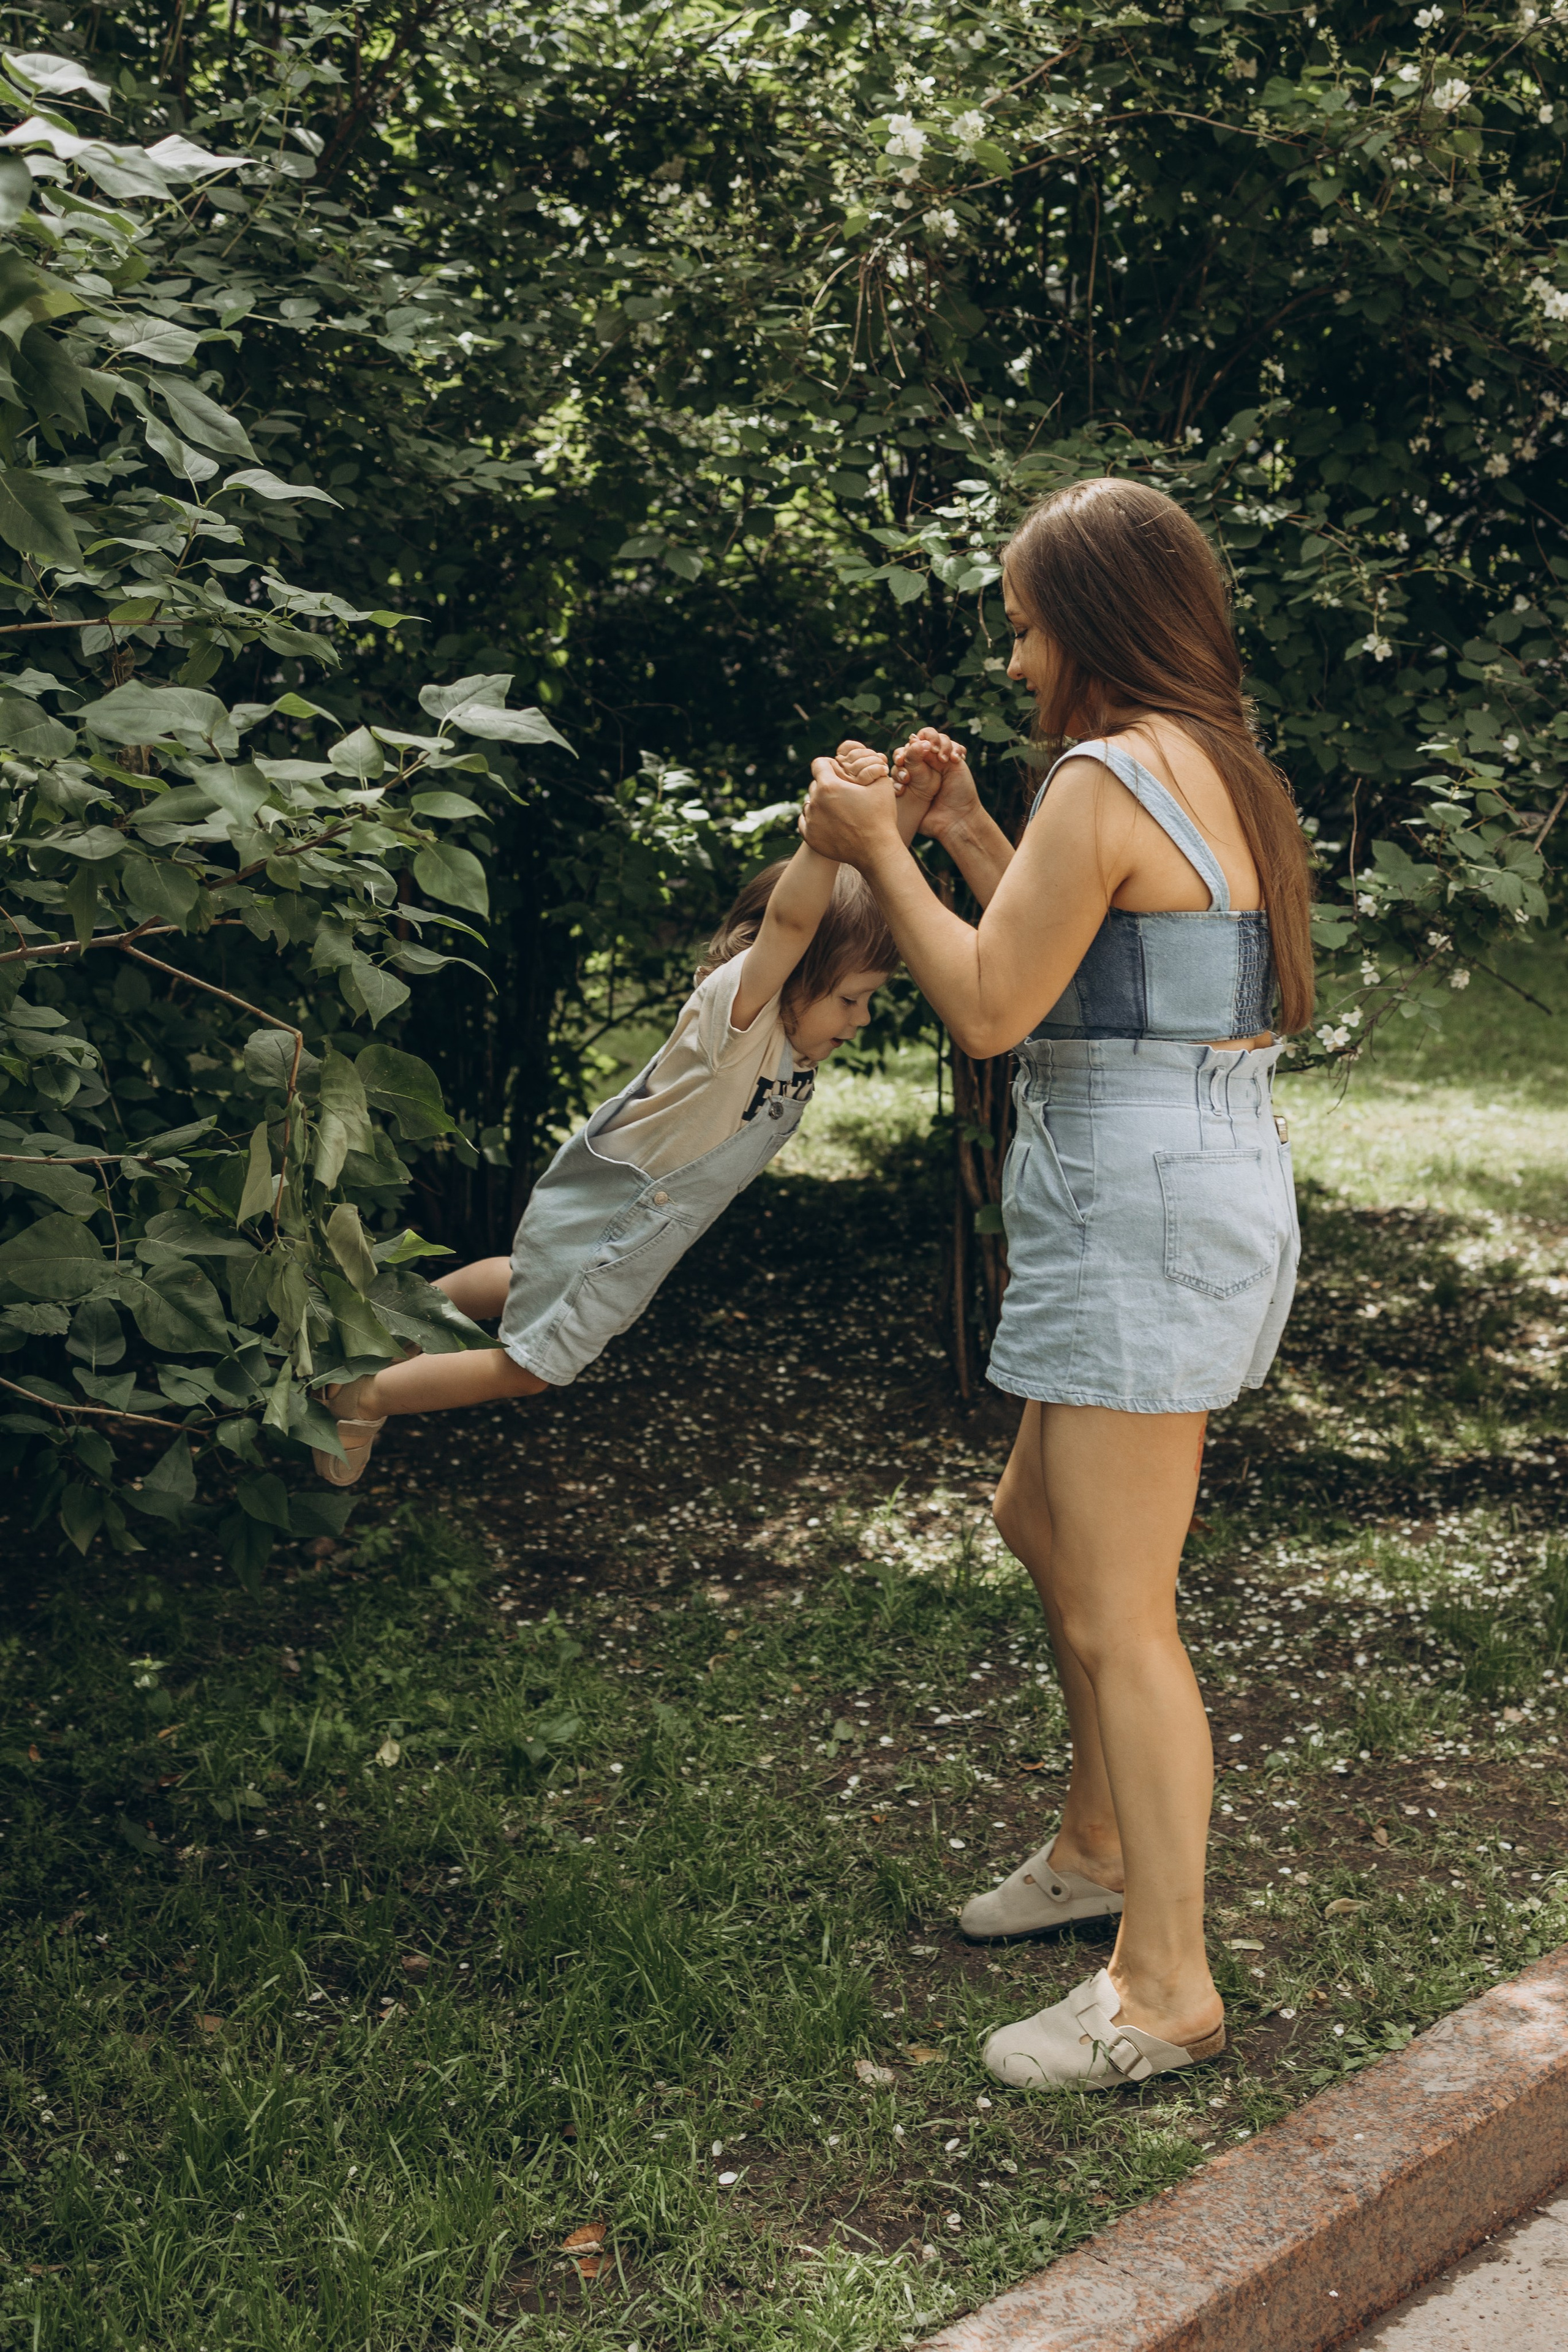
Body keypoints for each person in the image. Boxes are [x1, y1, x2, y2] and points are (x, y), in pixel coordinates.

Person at [801, 478, 1313, 2090]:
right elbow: (1103, 957)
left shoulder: (1105, 772)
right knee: (1045, 1520)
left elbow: (994, 1006)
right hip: (1178, 1185)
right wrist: (957, 831)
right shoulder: (1198, 764)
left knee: (1119, 1608)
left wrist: (880, 843)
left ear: (1087, 624)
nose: (1017, 662)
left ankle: (1165, 1986)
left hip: (1139, 1209)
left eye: (1025, 626)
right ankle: (1098, 1849)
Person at [312, 749, 929, 1487]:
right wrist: (823, 836)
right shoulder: (741, 1025)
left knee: (523, 1277)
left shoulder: (791, 1041)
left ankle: (385, 1313)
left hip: (610, 1219)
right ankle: (360, 1394)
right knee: (530, 1370)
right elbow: (798, 919)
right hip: (615, 1224)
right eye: (851, 998)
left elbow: (867, 890)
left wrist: (898, 812)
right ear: (787, 972)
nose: (860, 1019)